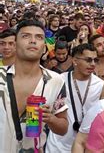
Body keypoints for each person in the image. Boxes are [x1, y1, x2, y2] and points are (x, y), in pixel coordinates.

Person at [0, 19, 68, 152]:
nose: (33, 41)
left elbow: (63, 128)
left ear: (44, 47)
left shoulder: (55, 80)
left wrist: (51, 119)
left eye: (39, 37)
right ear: (15, 44)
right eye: (25, 36)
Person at [46, 43, 103, 152]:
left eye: (95, 60)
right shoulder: (59, 81)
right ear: (75, 61)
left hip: (84, 145)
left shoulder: (100, 85)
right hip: (57, 145)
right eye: (88, 60)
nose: (92, 64)